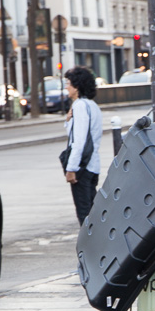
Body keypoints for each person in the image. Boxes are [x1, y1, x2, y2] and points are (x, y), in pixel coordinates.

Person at [63, 66, 103, 225]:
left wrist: (71, 168)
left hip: (82, 167)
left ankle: (91, 249)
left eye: (68, 83)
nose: (66, 86)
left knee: (85, 217)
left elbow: (78, 141)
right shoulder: (92, 105)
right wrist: (68, 120)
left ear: (77, 86)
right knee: (92, 213)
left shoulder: (79, 105)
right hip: (93, 165)